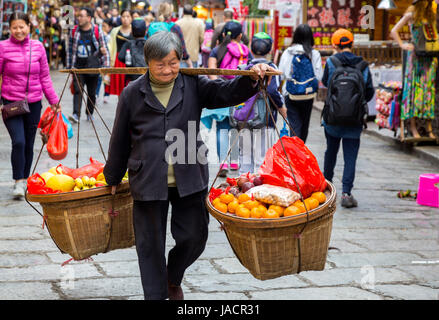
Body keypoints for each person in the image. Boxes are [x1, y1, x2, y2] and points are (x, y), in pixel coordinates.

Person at [103, 31, 274, 300]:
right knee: (150, 246)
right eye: (160, 64)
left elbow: (225, 93)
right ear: (148, 62)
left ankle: (173, 275)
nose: (168, 70)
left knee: (195, 236)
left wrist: (251, 77)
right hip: (147, 178)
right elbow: (120, 137)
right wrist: (112, 176)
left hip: (189, 173)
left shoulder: (192, 83)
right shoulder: (132, 93)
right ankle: (157, 295)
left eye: (173, 63)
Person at [0, 12, 60, 199]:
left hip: (34, 103)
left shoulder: (38, 47)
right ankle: (18, 181)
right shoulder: (3, 47)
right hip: (11, 103)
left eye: (22, 26)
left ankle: (25, 179)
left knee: (29, 144)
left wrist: (54, 101)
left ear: (29, 26)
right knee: (18, 141)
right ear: (9, 29)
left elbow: (44, 77)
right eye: (14, 27)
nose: (18, 31)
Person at [321, 29, 374, 208]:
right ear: (352, 44)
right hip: (354, 120)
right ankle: (346, 193)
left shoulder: (331, 61)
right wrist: (355, 105)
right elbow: (369, 91)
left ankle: (325, 190)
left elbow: (325, 82)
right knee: (350, 156)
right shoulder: (363, 65)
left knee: (331, 152)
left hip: (333, 118)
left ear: (335, 44)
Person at [202, 21, 252, 176]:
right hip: (240, 93)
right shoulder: (246, 51)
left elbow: (211, 71)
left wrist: (219, 89)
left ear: (223, 34)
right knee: (235, 128)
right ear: (240, 36)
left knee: (222, 128)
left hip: (222, 91)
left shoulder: (217, 50)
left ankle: (223, 162)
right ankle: (235, 162)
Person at [236, 32, 286, 175]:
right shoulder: (271, 67)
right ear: (270, 50)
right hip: (265, 120)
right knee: (261, 159)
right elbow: (272, 90)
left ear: (251, 49)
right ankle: (257, 192)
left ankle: (244, 191)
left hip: (244, 118)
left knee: (245, 157)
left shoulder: (245, 67)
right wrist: (282, 107)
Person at [390, 0, 437, 139]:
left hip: (430, 58)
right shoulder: (412, 13)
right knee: (414, 92)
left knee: (428, 91)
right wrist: (402, 45)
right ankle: (413, 127)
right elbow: (394, 30)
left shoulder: (432, 14)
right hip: (416, 58)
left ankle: (428, 127)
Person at [278, 24, 323, 143]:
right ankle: (301, 149)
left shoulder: (288, 52)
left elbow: (281, 74)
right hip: (307, 95)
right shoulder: (314, 54)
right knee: (304, 125)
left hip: (290, 93)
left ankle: (294, 154)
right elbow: (319, 76)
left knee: (294, 125)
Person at [67, 7, 110, 123]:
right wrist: (69, 67)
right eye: (78, 16)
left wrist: (106, 67)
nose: (79, 18)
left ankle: (89, 113)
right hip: (78, 67)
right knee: (78, 91)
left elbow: (104, 49)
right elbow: (70, 50)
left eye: (81, 16)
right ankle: (76, 114)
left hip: (93, 67)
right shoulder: (74, 31)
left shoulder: (97, 31)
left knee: (91, 93)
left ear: (89, 18)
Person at [147, 2, 192, 68]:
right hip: (170, 65)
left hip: (155, 64)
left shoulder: (150, 26)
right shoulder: (174, 27)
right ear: (170, 13)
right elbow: (182, 48)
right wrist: (189, 62)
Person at [107, 9, 133, 96]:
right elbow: (110, 46)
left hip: (132, 62)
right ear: (120, 18)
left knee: (131, 88)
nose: (125, 18)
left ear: (131, 18)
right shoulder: (115, 31)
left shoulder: (135, 30)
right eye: (123, 16)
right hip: (118, 61)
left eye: (128, 16)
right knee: (120, 89)